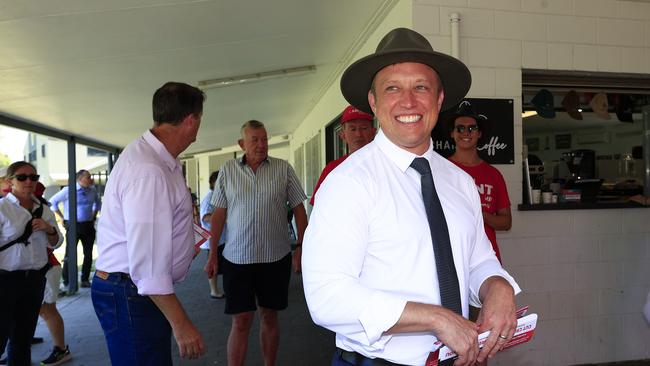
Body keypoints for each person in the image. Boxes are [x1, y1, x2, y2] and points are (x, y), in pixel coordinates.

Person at [302, 27, 520, 366]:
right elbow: (326, 296)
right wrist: (436, 318)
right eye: (393, 88)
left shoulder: (460, 182)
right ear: (373, 102)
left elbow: (478, 259)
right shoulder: (348, 182)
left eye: (421, 87)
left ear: (439, 99)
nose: (408, 102)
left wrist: (498, 287)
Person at [91, 82, 206, 365]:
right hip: (131, 292)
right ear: (191, 121)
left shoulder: (156, 160)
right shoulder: (149, 171)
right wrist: (182, 325)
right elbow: (148, 264)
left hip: (133, 291)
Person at [203, 120, 308, 366]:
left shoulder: (283, 169)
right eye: (255, 140)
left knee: (270, 316)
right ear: (242, 144)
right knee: (241, 321)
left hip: (275, 258)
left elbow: (299, 210)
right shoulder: (228, 171)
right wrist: (212, 254)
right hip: (237, 259)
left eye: (264, 139)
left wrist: (302, 248)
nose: (261, 145)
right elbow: (219, 213)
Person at [0, 161, 63, 365]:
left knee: (22, 339)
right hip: (5, 281)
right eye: (22, 177)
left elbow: (57, 242)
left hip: (34, 281)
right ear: (10, 181)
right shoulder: (2, 208)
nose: (29, 181)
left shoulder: (44, 209)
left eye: (33, 177)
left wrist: (49, 229)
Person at [445, 101, 512, 263]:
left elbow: (506, 222)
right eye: (459, 128)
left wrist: (480, 215)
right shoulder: (440, 170)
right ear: (452, 133)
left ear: (480, 134)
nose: (465, 133)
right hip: (451, 257)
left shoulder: (493, 175)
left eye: (472, 128)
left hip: (487, 259)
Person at [310, 105, 376, 205]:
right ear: (342, 134)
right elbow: (319, 205)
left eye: (364, 128)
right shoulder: (332, 168)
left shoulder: (386, 163)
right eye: (352, 129)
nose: (358, 134)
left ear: (373, 132)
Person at [49, 169, 101, 288]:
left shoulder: (92, 191)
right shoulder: (68, 190)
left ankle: (85, 279)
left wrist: (93, 215)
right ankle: (68, 280)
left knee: (88, 253)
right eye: (88, 177)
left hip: (88, 225)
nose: (91, 179)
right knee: (70, 253)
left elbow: (98, 204)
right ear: (80, 179)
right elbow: (53, 202)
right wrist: (61, 217)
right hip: (73, 225)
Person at [200, 170, 225, 299]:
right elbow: (205, 217)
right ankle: (213, 291)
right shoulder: (209, 198)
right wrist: (222, 217)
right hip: (213, 239)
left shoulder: (219, 196)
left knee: (223, 265)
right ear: (213, 183)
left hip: (222, 238)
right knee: (213, 265)